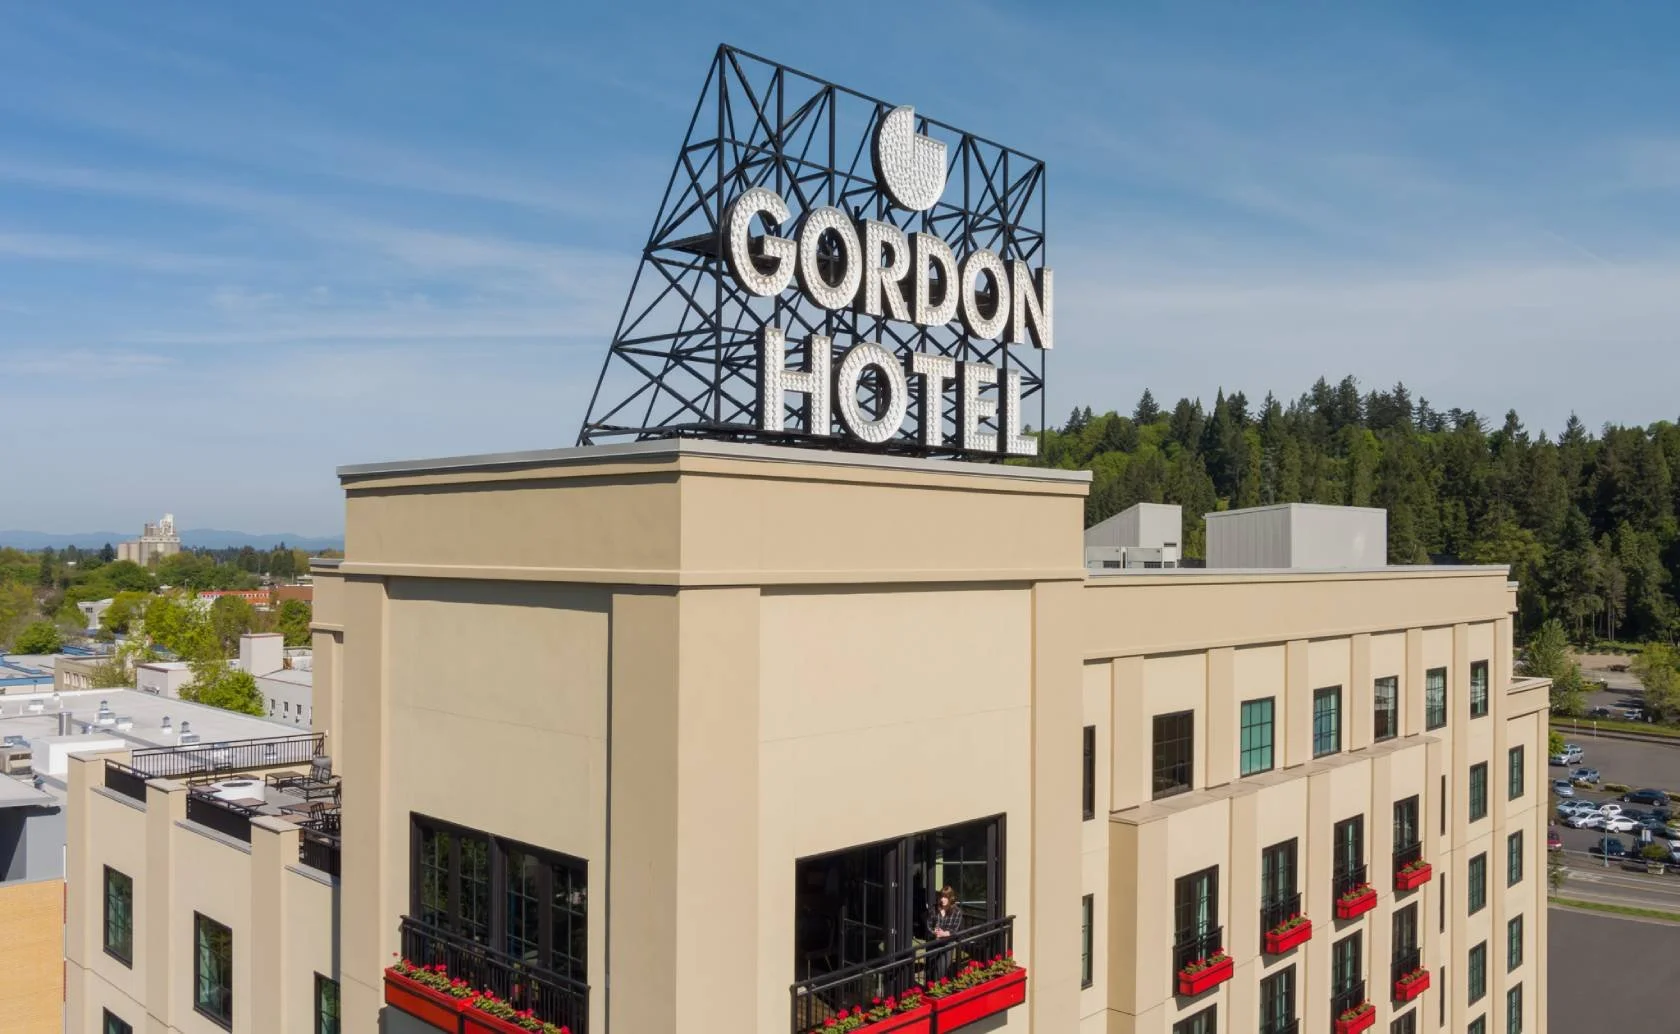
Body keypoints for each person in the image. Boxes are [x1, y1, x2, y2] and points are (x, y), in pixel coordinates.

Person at [926, 886, 963, 982]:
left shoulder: (957, 912)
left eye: (945, 897)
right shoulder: (934, 909)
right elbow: (928, 925)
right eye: (941, 897)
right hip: (934, 942)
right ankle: (930, 988)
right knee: (930, 969)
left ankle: (937, 990)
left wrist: (944, 934)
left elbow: (955, 929)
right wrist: (934, 932)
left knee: (940, 970)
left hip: (948, 943)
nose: (943, 900)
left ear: (951, 898)